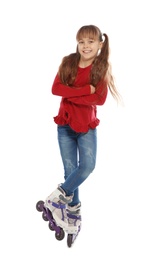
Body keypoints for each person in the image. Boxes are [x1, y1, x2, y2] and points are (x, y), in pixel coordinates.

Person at [44, 25, 120, 235]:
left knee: (87, 166)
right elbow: (55, 89)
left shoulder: (101, 67)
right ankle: (73, 214)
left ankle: (56, 197)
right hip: (65, 124)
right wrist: (86, 89)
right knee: (70, 171)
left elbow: (100, 99)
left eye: (90, 42)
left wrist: (70, 94)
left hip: (86, 125)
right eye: (81, 42)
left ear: (100, 44)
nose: (85, 46)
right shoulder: (68, 62)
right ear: (77, 44)